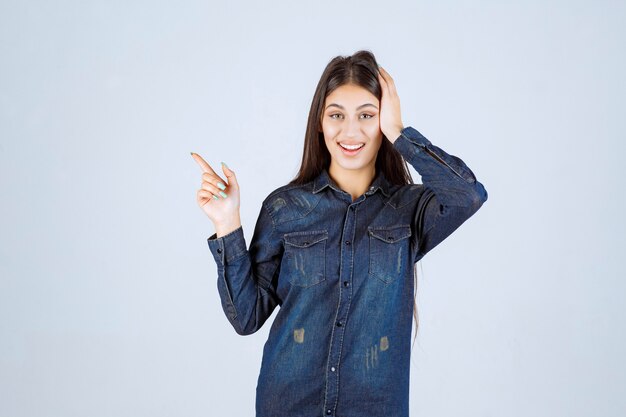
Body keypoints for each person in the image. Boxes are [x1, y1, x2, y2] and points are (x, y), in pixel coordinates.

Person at [191, 50, 487, 417]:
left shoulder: (410, 210)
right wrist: (226, 223)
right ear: (320, 122)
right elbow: (246, 317)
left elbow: (469, 195)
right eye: (337, 115)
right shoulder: (285, 208)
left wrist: (400, 133)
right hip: (288, 404)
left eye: (367, 115)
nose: (351, 131)